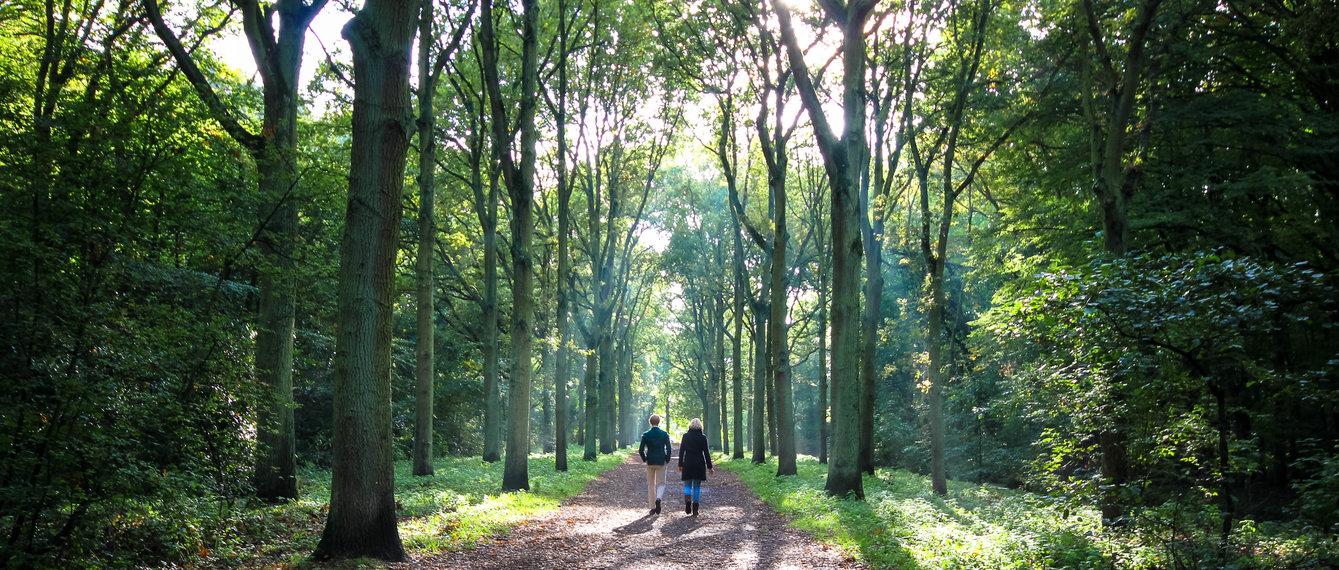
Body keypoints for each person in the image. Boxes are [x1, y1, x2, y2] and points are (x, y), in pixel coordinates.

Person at [677, 417, 713, 516]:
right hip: (699, 463)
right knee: (697, 486)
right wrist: (710, 467)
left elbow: (681, 451)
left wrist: (680, 464)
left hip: (688, 462)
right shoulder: (703, 437)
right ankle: (695, 508)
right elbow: (706, 453)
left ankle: (688, 500)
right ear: (700, 426)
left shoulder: (685, 436)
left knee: (687, 485)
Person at [638, 414, 672, 514]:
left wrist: (645, 459)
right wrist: (667, 459)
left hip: (650, 461)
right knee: (661, 483)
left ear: (650, 422)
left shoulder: (646, 434)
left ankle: (652, 507)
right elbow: (669, 449)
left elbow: (641, 450)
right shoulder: (664, 434)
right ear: (659, 422)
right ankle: (658, 498)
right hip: (661, 460)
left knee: (651, 484)